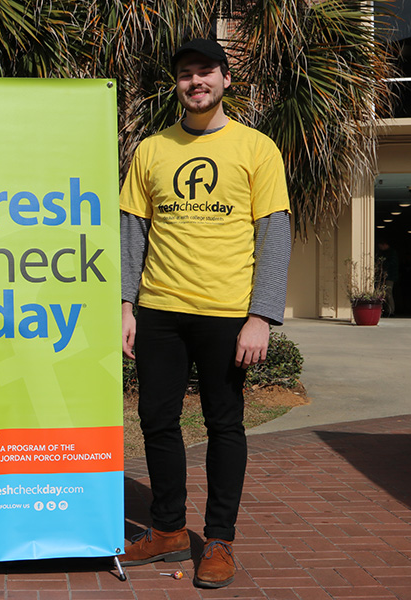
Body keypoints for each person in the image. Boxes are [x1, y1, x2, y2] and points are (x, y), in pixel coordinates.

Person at [118, 39, 291, 589]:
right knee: (157, 420)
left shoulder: (257, 148)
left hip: (226, 312)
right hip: (159, 310)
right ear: (177, 84)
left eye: (207, 72)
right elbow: (131, 232)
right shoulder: (151, 150)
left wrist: (261, 315)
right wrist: (126, 305)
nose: (197, 82)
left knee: (224, 423)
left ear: (225, 80)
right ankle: (167, 528)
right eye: (187, 74)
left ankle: (218, 540)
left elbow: (275, 232)